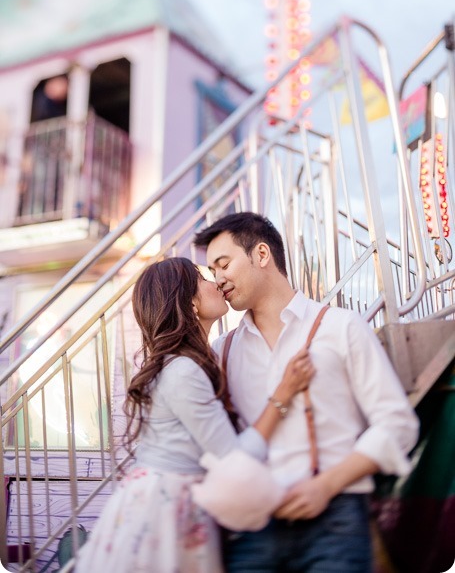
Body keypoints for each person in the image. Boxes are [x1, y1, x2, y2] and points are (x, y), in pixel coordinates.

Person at [194, 212, 420, 573]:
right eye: (211, 272)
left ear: (262, 254)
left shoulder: (341, 327)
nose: (218, 279)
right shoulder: (222, 351)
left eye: (223, 265)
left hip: (335, 520)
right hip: (252, 529)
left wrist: (326, 486)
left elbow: (397, 424)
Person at [73, 257, 314, 573]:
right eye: (204, 278)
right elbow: (233, 460)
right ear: (190, 303)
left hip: (167, 501)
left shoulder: (202, 358)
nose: (217, 281)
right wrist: (283, 395)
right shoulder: (184, 371)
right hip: (164, 510)